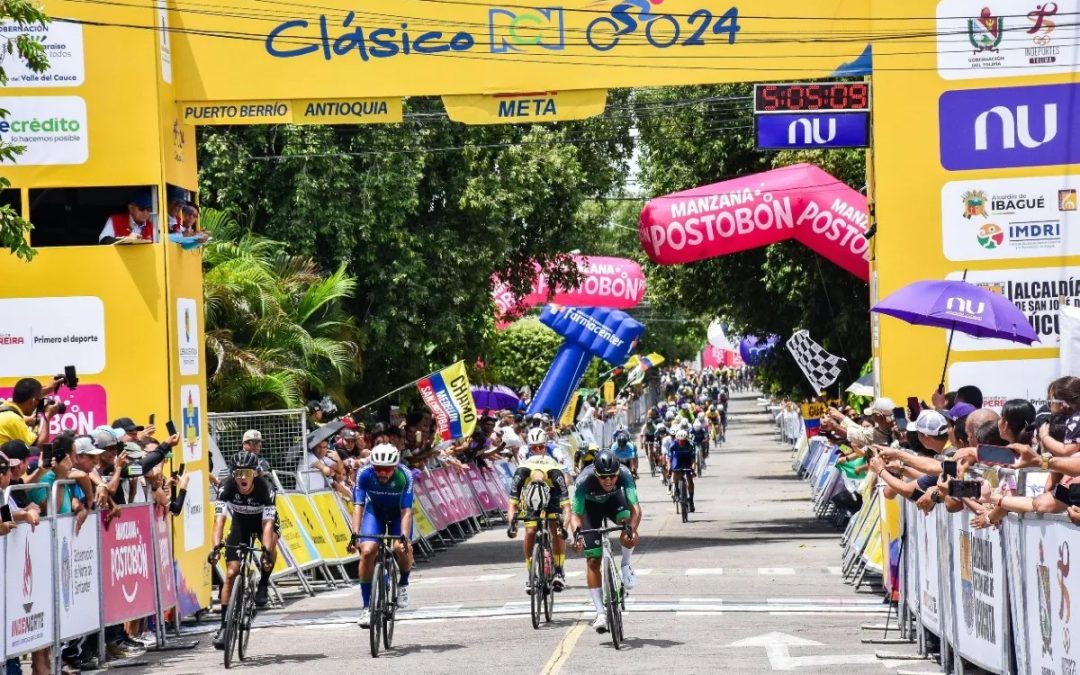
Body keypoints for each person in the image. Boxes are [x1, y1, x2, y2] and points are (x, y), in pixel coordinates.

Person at [209, 451, 278, 648]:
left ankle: (263, 583)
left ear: (255, 473)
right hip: (240, 522)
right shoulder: (226, 487)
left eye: (247, 472)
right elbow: (219, 521)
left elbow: (267, 525)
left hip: (262, 522)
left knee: (271, 543)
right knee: (231, 573)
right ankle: (224, 627)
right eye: (238, 473)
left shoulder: (266, 489)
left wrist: (265, 550)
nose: (242, 477)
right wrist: (215, 547)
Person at [571, 450, 642, 634]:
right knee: (593, 560)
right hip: (590, 509)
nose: (609, 480)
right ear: (596, 474)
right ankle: (600, 613)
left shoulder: (625, 474)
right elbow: (576, 515)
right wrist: (577, 536)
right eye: (603, 477)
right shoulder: (584, 480)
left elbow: (636, 509)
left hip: (614, 502)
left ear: (618, 473)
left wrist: (631, 530)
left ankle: (626, 565)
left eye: (612, 476)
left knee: (628, 531)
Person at [348, 444, 415, 629]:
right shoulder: (364, 474)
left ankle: (403, 583)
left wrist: (404, 537)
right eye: (378, 469)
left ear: (395, 467)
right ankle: (366, 608)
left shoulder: (405, 476)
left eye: (387, 469)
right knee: (367, 552)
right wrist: (354, 533)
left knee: (400, 548)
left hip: (397, 513)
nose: (382, 473)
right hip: (375, 511)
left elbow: (406, 511)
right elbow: (358, 505)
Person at [507, 427, 572, 593]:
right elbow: (512, 504)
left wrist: (563, 527)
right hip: (530, 495)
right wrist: (512, 524)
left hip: (552, 492)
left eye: (541, 447)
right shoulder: (522, 471)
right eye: (534, 448)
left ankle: (558, 570)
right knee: (530, 532)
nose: (537, 450)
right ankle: (531, 574)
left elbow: (567, 508)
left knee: (555, 529)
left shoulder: (554, 470)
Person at [0, 376, 62, 447]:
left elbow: (31, 397)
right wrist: (48, 416)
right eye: (39, 400)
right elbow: (40, 445)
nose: (39, 404)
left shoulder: (4, 406)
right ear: (32, 401)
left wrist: (49, 388)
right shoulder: (14, 419)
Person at [668, 428, 697, 511]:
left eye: (684, 441)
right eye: (680, 441)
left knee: (689, 478)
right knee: (675, 470)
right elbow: (670, 458)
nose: (682, 443)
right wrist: (670, 468)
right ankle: (676, 487)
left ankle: (691, 500)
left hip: (687, 459)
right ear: (677, 439)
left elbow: (693, 459)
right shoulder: (673, 445)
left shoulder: (690, 444)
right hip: (677, 459)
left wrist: (693, 470)